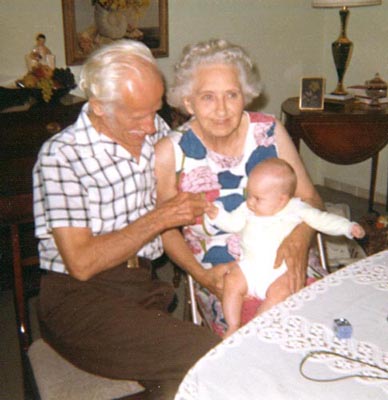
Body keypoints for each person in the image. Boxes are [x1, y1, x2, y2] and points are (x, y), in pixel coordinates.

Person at [33, 40, 220, 399]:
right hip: (77, 299)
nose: (152, 127)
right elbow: (82, 263)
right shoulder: (62, 156)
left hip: (141, 286)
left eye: (156, 110)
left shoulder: (158, 132)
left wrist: (207, 273)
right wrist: (159, 216)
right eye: (138, 117)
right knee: (208, 353)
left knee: (182, 384)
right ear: (99, 107)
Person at [155, 38, 324, 336]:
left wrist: (300, 238)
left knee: (323, 318)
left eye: (231, 94)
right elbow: (166, 230)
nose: (221, 109)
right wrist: (201, 277)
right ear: (188, 101)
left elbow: (310, 197)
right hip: (221, 272)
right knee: (255, 342)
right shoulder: (170, 151)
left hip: (285, 257)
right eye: (207, 97)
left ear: (245, 96)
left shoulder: (269, 132)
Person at [205, 158, 366, 337]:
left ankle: (256, 327)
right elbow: (233, 224)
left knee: (281, 292)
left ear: (282, 200)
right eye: (248, 194)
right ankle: (233, 325)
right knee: (232, 281)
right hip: (249, 269)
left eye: (257, 198)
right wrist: (217, 215)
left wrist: (347, 227)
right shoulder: (247, 209)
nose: (250, 202)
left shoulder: (296, 209)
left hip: (279, 272)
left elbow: (322, 219)